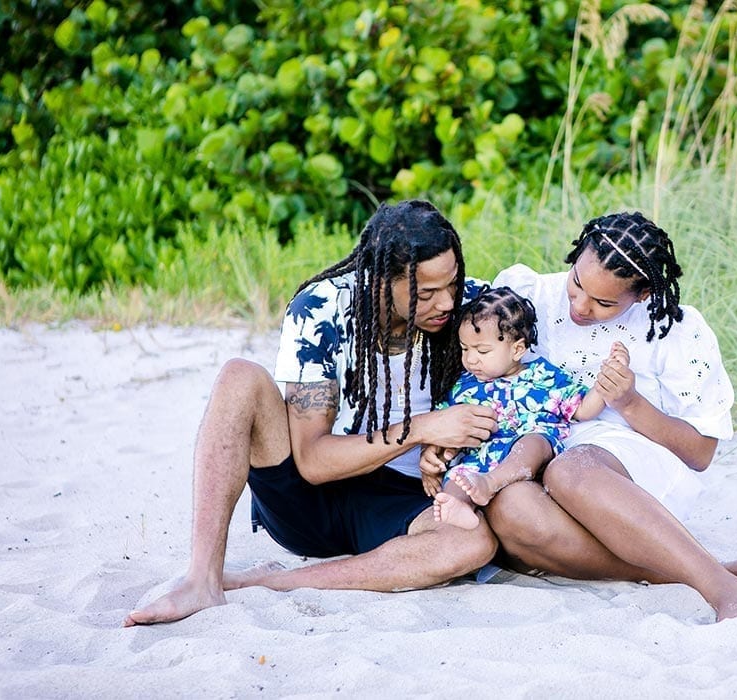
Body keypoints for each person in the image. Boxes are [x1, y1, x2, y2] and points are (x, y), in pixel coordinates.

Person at [123, 200, 500, 627]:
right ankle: (201, 579)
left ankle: (268, 584)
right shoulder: (321, 308)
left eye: (451, 284)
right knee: (239, 376)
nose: (446, 302)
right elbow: (314, 462)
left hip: (406, 501)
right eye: (426, 293)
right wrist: (422, 428)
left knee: (472, 544)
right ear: (378, 281)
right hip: (311, 500)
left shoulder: (476, 308)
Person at [486, 211, 737, 621]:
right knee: (510, 509)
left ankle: (719, 589)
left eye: (604, 302)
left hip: (624, 471)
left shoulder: (673, 329)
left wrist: (629, 402)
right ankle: (712, 571)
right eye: (576, 283)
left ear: (641, 294)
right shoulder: (527, 293)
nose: (580, 307)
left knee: (572, 470)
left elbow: (700, 453)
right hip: (538, 451)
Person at [420, 286, 610, 530]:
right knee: (458, 478)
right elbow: (440, 428)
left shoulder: (542, 375)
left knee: (533, 442)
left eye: (482, 350)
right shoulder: (462, 386)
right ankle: (458, 506)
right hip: (480, 459)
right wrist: (431, 461)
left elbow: (582, 409)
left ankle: (491, 484)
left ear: (517, 349)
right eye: (465, 349)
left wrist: (605, 385)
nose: (470, 359)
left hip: (528, 452)